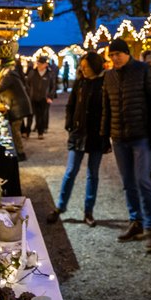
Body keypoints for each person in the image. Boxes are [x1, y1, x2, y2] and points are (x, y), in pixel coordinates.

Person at [101, 38, 151, 252]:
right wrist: (103, 135)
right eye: (112, 55)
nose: (114, 58)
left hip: (141, 136)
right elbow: (106, 107)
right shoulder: (109, 76)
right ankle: (136, 222)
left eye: (118, 54)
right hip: (118, 138)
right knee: (128, 182)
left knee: (143, 180)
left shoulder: (143, 70)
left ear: (127, 53)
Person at [47, 52, 109, 226]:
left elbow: (108, 109)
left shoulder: (104, 84)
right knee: (70, 171)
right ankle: (60, 207)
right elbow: (71, 104)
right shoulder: (80, 83)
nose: (83, 69)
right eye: (82, 66)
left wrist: (106, 132)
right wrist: (70, 123)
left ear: (95, 66)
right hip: (78, 132)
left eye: (86, 66)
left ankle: (88, 211)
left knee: (93, 174)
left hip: (97, 135)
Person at [0, 53, 32, 162]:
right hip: (17, 106)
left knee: (15, 130)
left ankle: (21, 153)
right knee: (15, 129)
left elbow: (0, 88)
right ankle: (18, 151)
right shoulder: (9, 75)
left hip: (18, 107)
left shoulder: (9, 76)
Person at [26, 55, 56, 139]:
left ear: (45, 64)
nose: (39, 65)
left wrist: (50, 97)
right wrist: (29, 93)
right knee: (30, 115)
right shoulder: (32, 72)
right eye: (38, 63)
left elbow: (53, 86)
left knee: (41, 116)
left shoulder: (49, 74)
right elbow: (27, 83)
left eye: (41, 64)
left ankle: (40, 133)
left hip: (44, 98)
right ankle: (27, 132)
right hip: (33, 97)